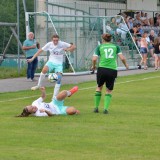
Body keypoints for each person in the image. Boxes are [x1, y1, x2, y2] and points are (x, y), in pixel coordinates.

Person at [91, 33, 129, 114]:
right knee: (109, 90)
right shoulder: (116, 47)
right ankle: (105, 109)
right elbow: (122, 57)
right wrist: (126, 65)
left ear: (103, 39)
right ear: (110, 39)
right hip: (112, 69)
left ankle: (96, 108)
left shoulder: (99, 47)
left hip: (102, 69)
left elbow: (94, 59)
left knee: (99, 87)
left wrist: (93, 66)